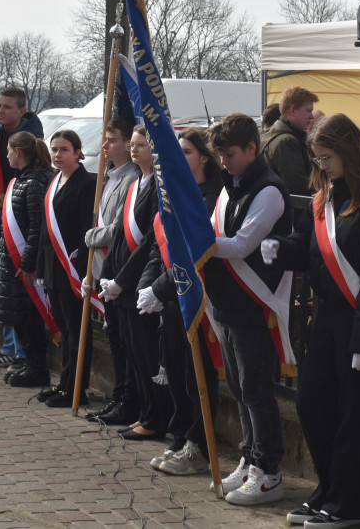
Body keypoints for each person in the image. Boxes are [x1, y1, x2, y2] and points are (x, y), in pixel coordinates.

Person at [263, 113, 360, 528]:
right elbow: (311, 248)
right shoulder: (325, 198)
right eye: (317, 159)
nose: (322, 167)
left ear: (348, 151)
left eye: (327, 158)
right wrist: (282, 248)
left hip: (357, 322)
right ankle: (327, 489)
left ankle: (348, 504)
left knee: (353, 416)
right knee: (313, 406)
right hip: (325, 319)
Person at [204, 112, 292, 506]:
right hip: (228, 303)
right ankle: (249, 456)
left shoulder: (269, 190)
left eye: (231, 155)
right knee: (239, 388)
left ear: (252, 149)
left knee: (256, 389)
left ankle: (268, 470)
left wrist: (198, 244)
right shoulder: (230, 186)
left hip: (255, 303)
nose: (224, 162)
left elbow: (241, 245)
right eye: (220, 156)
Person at [141, 128, 222, 475]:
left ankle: (199, 445)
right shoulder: (173, 194)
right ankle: (182, 436)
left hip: (197, 300)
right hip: (172, 300)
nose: (180, 159)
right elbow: (158, 249)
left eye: (186, 152)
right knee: (176, 373)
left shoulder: (209, 197)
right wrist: (149, 286)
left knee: (196, 376)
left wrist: (159, 289)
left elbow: (190, 253)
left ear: (203, 156)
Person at [99, 125, 172, 441]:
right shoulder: (134, 185)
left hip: (141, 281)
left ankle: (156, 417)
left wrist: (124, 279)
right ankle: (145, 412)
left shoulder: (159, 186)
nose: (133, 149)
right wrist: (111, 275)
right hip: (122, 280)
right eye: (132, 144)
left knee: (146, 354)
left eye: (141, 144)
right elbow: (120, 236)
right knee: (133, 353)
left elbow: (149, 243)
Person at [83, 116, 141, 425]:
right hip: (103, 267)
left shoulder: (131, 178)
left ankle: (128, 400)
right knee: (115, 338)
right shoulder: (111, 175)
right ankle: (119, 396)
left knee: (124, 341)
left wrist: (92, 236)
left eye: (112, 140)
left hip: (119, 267)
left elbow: (120, 226)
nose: (105, 145)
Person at [35, 129, 96, 408]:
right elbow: (44, 232)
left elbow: (87, 230)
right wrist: (40, 269)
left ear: (78, 152)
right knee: (64, 329)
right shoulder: (54, 181)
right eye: (54, 149)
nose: (58, 155)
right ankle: (64, 385)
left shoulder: (87, 184)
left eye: (64, 150)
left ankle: (76, 389)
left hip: (72, 269)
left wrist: (82, 267)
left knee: (76, 332)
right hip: (52, 269)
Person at [0, 131, 55, 387]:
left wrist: (27, 263)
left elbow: (36, 228)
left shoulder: (35, 182)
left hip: (24, 264)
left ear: (18, 152)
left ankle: (38, 367)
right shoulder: (20, 179)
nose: (6, 155)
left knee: (30, 318)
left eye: (8, 150)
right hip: (13, 262)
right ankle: (29, 362)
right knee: (19, 317)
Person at [260, 85, 319, 195]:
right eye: (308, 111)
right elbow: (299, 187)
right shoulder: (286, 141)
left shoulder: (270, 136)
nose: (311, 116)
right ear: (292, 110)